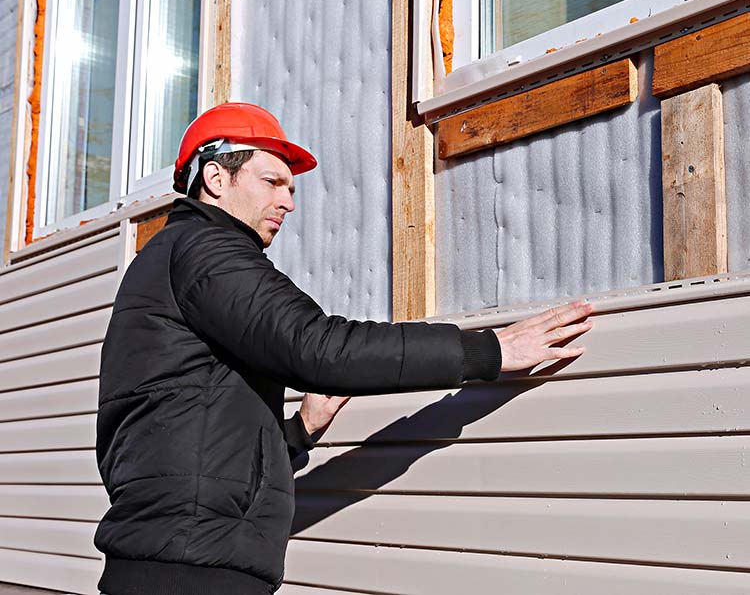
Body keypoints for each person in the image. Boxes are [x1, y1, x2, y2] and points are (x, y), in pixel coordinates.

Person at [95, 103, 593, 594]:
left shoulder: (169, 260)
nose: (288, 202)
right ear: (216, 179)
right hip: (188, 575)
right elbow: (318, 348)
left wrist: (300, 433)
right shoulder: (205, 251)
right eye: (272, 182)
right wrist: (491, 350)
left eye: (291, 189)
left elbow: (189, 438)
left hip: (174, 562)